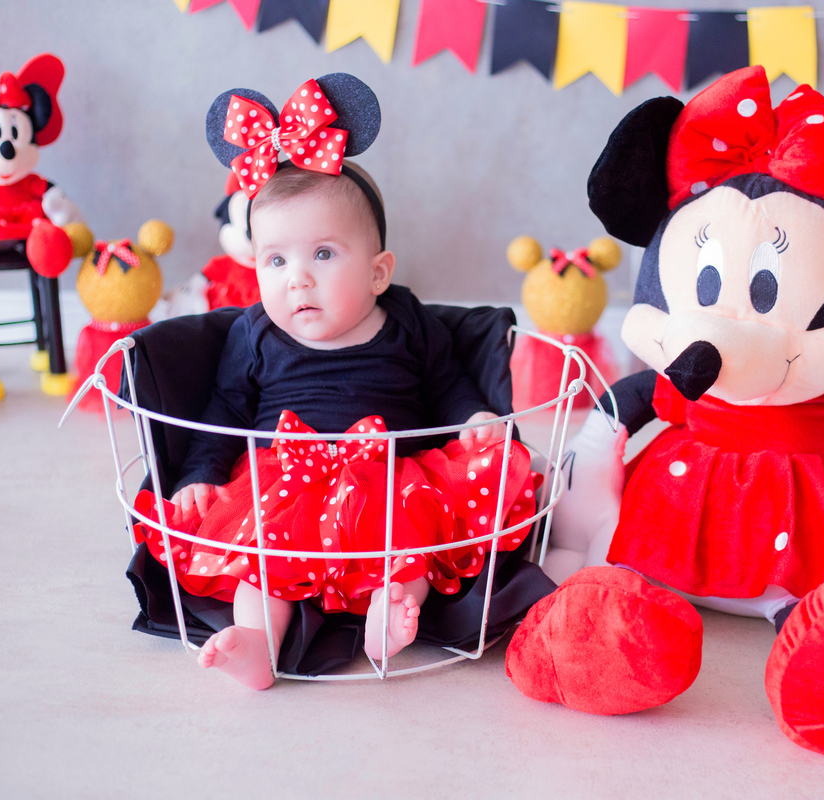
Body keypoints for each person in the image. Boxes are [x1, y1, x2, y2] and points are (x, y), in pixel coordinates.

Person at [133, 160, 539, 689]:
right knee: (261, 557)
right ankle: (259, 641)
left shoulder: (406, 320)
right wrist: (200, 471)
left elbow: (446, 383)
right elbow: (226, 409)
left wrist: (473, 416)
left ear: (378, 272)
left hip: (391, 472)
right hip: (284, 478)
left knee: (408, 543)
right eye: (275, 259)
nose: (296, 277)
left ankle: (388, 617)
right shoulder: (255, 331)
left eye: (322, 254)